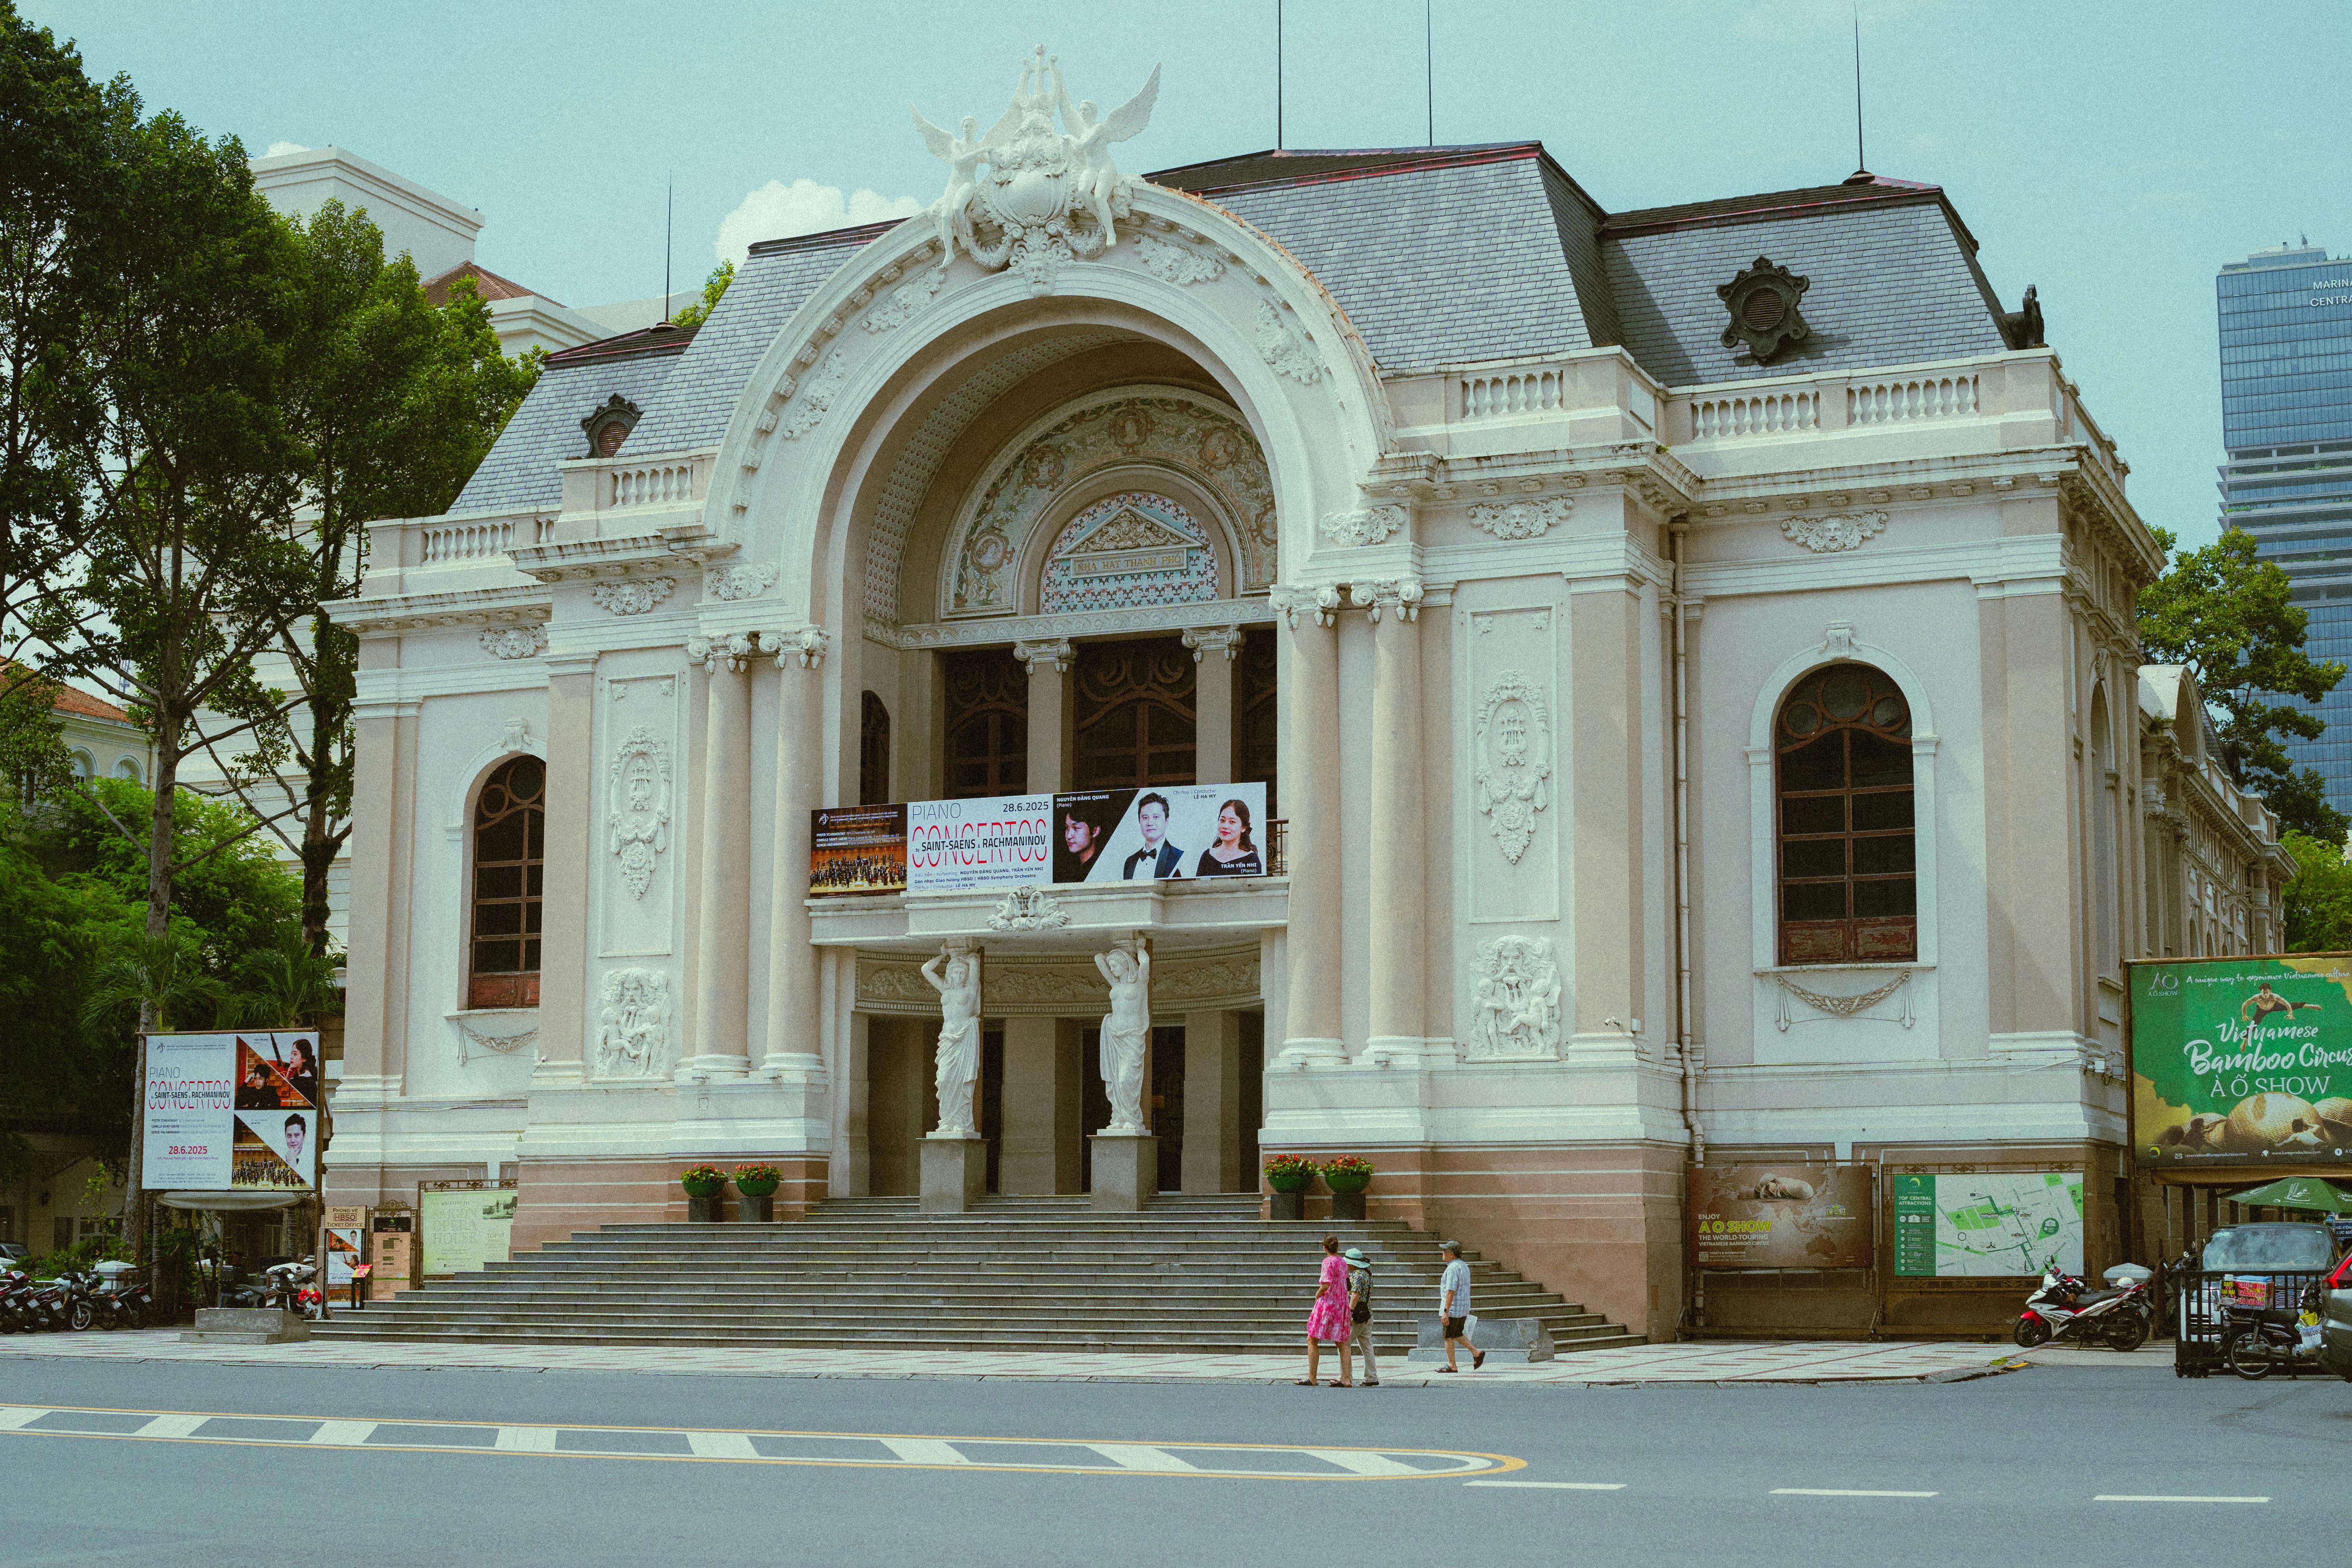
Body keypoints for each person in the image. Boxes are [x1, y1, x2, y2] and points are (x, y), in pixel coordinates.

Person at [1298, 1233, 1354, 1387]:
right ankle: (1346, 1379)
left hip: (1328, 1305)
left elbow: (1326, 1284)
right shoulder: (1343, 1262)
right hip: (1342, 1304)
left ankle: (1312, 1377)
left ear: (1324, 1248)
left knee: (1312, 1339)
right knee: (1343, 1343)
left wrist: (1317, 1294)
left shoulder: (1328, 1262)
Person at [1438, 1240, 1482, 1372]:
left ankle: (1452, 1366)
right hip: (1463, 1308)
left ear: (1451, 1254)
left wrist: (1446, 1311)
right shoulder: (1464, 1266)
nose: (1443, 1254)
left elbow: (1451, 1290)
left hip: (1453, 1309)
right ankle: (1477, 1353)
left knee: (1448, 1337)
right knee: (1457, 1333)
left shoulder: (1452, 1268)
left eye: (1445, 1251)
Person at [1193, 798, 1262, 878]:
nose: (1225, 826)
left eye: (1232, 822)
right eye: (1222, 820)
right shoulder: (1207, 855)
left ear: (1243, 827)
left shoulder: (1251, 859)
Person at [1121, 793, 1183, 879]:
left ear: (1167, 820)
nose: (1150, 823)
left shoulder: (1179, 857)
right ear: (1140, 821)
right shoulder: (1130, 861)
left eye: (1156, 817)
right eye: (1145, 818)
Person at [1344, 1247, 1380, 1386]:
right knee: (1367, 1347)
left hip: (1357, 1317)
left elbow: (1356, 1294)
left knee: (1344, 1344)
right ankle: (1372, 1377)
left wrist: (1350, 1312)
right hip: (1367, 1314)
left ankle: (1346, 1376)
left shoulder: (1357, 1275)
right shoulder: (1367, 1274)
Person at [1060, 805, 1107, 879]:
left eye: (1076, 828)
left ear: (1095, 832)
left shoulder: (1102, 868)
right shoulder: (1069, 869)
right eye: (1067, 828)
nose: (1069, 836)